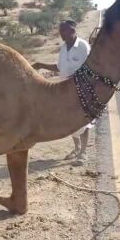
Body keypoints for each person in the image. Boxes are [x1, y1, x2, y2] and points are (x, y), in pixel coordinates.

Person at [32, 20, 95, 164]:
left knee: (82, 121)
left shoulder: (83, 47)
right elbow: (60, 68)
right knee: (70, 120)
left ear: (72, 30)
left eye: (64, 30)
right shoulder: (63, 48)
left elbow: (91, 68)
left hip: (81, 89)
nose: (61, 34)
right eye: (60, 31)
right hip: (66, 90)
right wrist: (40, 65)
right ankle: (77, 148)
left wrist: (76, 79)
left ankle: (83, 153)